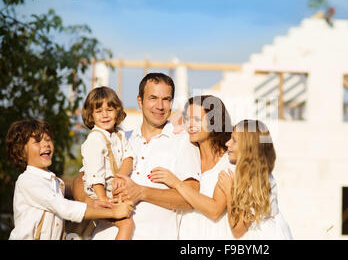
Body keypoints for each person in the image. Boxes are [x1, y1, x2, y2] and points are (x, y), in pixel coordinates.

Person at [72, 73, 201, 240]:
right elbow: (80, 179)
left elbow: (192, 199)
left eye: (166, 99)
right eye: (153, 98)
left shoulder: (183, 142)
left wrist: (142, 192)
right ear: (140, 101)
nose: (159, 106)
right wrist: (88, 201)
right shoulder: (119, 138)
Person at [6, 119, 134, 240]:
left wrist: (91, 205)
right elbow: (65, 208)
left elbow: (54, 222)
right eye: (38, 141)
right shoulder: (28, 181)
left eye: (48, 139)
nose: (46, 144)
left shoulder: (56, 182)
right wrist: (114, 212)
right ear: (21, 151)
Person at [150, 95, 235, 239]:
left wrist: (177, 183)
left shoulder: (229, 162)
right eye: (188, 119)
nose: (190, 125)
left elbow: (215, 211)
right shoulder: (187, 152)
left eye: (196, 119)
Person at [217, 119, 293, 239]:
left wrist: (229, 191)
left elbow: (237, 230)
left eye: (234, 141)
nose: (227, 143)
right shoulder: (251, 173)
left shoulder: (257, 180)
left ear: (248, 148)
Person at [79, 86, 135, 240]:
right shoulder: (95, 139)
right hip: (98, 192)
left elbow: (129, 158)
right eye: (99, 111)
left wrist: (120, 176)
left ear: (117, 111)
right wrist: (102, 198)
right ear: (91, 115)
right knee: (127, 223)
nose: (105, 115)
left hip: (113, 190)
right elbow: (94, 173)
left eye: (109, 110)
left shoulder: (120, 135)